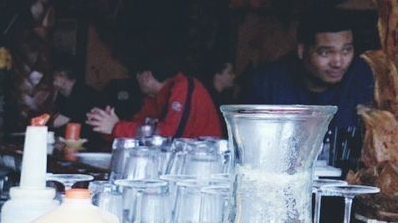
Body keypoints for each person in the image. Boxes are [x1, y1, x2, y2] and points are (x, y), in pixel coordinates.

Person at [242, 8, 373, 131]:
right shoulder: (266, 85)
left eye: (346, 50)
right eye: (325, 53)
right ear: (301, 50)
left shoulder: (364, 79)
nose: (338, 62)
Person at [86, 57, 222, 139]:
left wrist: (116, 127)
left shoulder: (185, 87)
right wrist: (104, 124)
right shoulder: (153, 98)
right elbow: (138, 131)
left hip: (200, 167)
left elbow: (170, 135)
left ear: (146, 76)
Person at [50, 63, 103, 138]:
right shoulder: (62, 94)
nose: (52, 82)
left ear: (63, 75)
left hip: (92, 140)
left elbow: (57, 122)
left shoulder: (81, 92)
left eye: (54, 77)